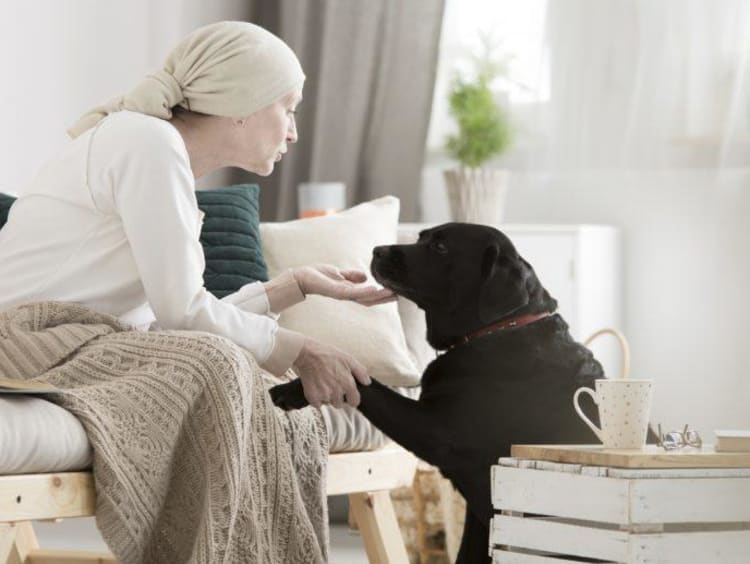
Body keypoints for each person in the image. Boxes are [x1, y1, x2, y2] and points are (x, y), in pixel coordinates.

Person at [0, 20, 394, 410]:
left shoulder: (153, 146)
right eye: (288, 109)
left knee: (222, 362)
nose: (292, 133)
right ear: (244, 104)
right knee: (219, 366)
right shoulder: (147, 143)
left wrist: (296, 285)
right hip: (25, 339)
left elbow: (167, 322)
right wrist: (302, 351)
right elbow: (183, 313)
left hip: (61, 337)